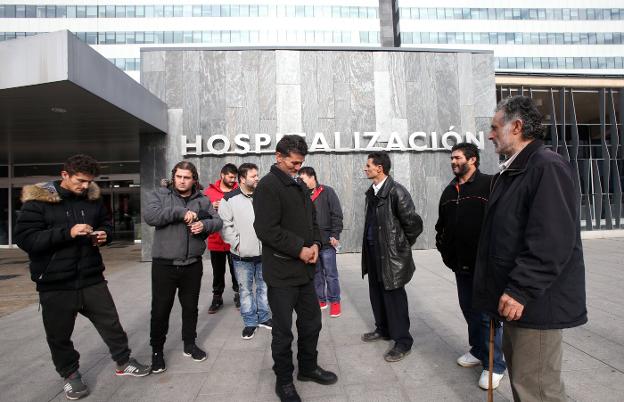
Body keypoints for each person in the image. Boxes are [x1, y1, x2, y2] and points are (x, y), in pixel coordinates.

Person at [474, 95, 587, 401]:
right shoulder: (513, 171)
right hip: (517, 303)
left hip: (534, 303)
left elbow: (551, 240)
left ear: (517, 126)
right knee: (527, 385)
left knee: (537, 390)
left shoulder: (546, 166)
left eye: (495, 127)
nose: (490, 134)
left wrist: (520, 289)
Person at [14, 154, 150, 401]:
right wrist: (67, 232)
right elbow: (26, 239)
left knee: (111, 323)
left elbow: (106, 225)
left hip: (90, 276)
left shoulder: (92, 200)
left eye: (89, 181)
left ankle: (123, 361)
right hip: (55, 282)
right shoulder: (38, 201)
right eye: (80, 180)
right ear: (64, 174)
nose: (85, 186)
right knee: (59, 334)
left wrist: (104, 236)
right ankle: (70, 375)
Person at [253, 135, 338, 402]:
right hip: (281, 273)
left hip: (304, 272)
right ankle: (284, 380)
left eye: (301, 163)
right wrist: (299, 248)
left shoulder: (300, 184)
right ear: (278, 157)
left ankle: (308, 368)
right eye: (293, 162)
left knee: (312, 323)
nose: (297, 167)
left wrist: (314, 243)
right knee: (283, 332)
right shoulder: (267, 186)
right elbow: (265, 229)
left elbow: (312, 219)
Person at [434, 142, 506, 390]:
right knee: (469, 310)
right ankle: (477, 351)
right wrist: (446, 251)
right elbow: (440, 226)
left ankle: (494, 365)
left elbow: (504, 222)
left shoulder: (490, 184)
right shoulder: (449, 191)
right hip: (460, 265)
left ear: (472, 160)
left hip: (486, 266)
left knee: (487, 316)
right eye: (452, 158)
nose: (453, 162)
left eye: (458, 158)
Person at [143, 161, 223, 374]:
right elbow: (151, 217)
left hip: (192, 264)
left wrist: (203, 225)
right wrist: (179, 212)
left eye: (186, 177)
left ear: (193, 179)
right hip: (164, 265)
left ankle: (190, 344)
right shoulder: (159, 195)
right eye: (178, 176)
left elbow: (217, 222)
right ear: (173, 176)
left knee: (190, 308)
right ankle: (157, 352)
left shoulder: (202, 199)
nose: (182, 180)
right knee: (160, 310)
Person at [361, 151, 423, 362]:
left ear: (380, 168)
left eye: (368, 165)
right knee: (377, 294)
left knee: (394, 299)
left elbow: (413, 224)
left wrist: (400, 247)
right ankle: (383, 329)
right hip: (373, 254)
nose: (365, 168)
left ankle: (403, 341)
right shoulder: (372, 192)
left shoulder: (396, 191)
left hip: (391, 256)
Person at [219, 162, 272, 340]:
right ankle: (250, 322)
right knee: (246, 290)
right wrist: (237, 245)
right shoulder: (229, 199)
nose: (257, 178)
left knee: (264, 287)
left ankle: (264, 317)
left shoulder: (263, 196)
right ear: (242, 179)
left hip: (264, 253)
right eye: (253, 176)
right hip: (241, 256)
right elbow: (226, 226)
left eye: (257, 175)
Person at [298, 167, 344, 318]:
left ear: (313, 178)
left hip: (327, 242)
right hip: (311, 244)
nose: (301, 182)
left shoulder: (327, 192)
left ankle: (335, 302)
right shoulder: (301, 195)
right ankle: (321, 300)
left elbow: (336, 214)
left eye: (303, 179)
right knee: (316, 274)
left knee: (331, 274)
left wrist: (335, 234)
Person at [204, 163, 240, 313]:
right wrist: (212, 206)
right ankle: (217, 298)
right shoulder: (208, 192)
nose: (233, 180)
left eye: (234, 177)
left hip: (234, 239)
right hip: (216, 240)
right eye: (230, 177)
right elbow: (201, 213)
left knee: (236, 270)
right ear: (222, 175)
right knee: (217, 272)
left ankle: (239, 295)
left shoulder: (239, 190)